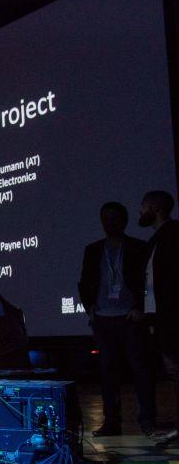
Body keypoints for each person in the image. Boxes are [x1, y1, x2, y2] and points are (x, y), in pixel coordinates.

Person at [78, 201, 153, 436]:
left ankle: (148, 421)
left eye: (113, 217)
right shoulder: (93, 249)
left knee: (140, 370)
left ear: (124, 220)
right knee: (107, 372)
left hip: (130, 318)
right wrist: (89, 308)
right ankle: (111, 421)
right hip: (103, 319)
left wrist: (141, 307)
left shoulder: (138, 247)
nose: (109, 222)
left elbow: (148, 282)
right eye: (105, 218)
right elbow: (85, 282)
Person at [137, 190, 179, 445]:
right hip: (161, 321)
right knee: (174, 373)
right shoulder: (155, 240)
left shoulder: (173, 235)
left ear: (154, 207)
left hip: (174, 318)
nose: (140, 212)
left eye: (143, 207)